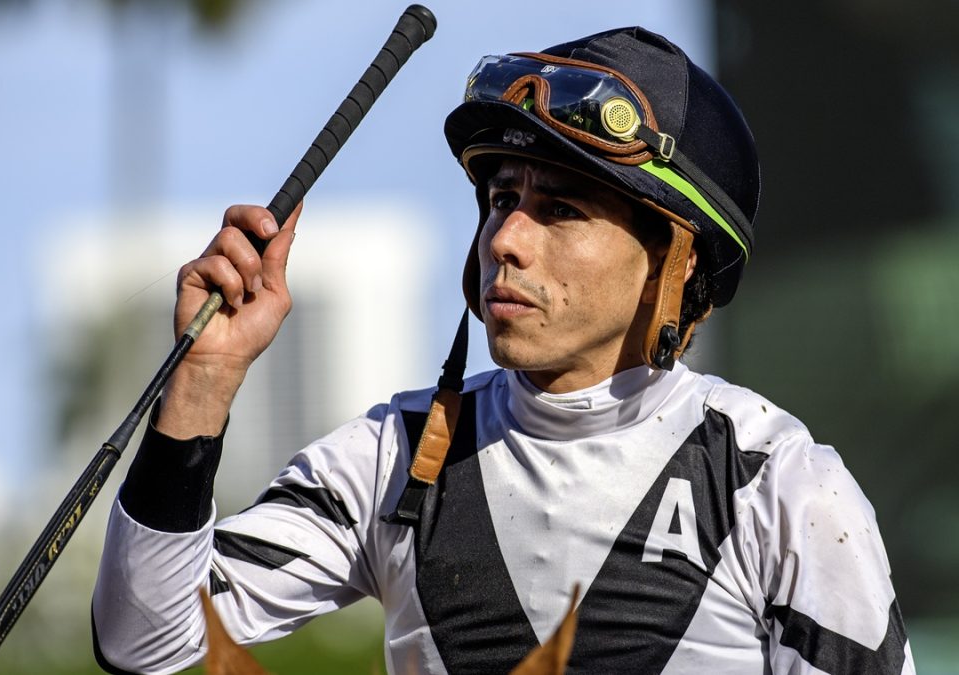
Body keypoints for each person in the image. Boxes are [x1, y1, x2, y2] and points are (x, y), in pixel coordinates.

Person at [92, 26, 915, 674]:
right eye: (500, 198)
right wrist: (204, 381)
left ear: (678, 259)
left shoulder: (778, 482)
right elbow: (146, 640)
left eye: (559, 209)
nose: (507, 237)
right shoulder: (396, 455)